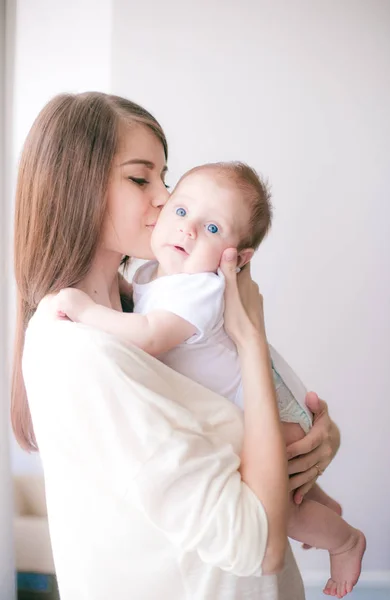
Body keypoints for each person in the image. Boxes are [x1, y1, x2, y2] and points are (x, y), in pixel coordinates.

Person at [12, 91, 341, 600]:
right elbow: (260, 544)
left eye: (166, 177)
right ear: (79, 189)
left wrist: (321, 441)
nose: (166, 198)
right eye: (142, 178)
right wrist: (251, 336)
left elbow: (263, 404)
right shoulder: (81, 348)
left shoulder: (146, 305)